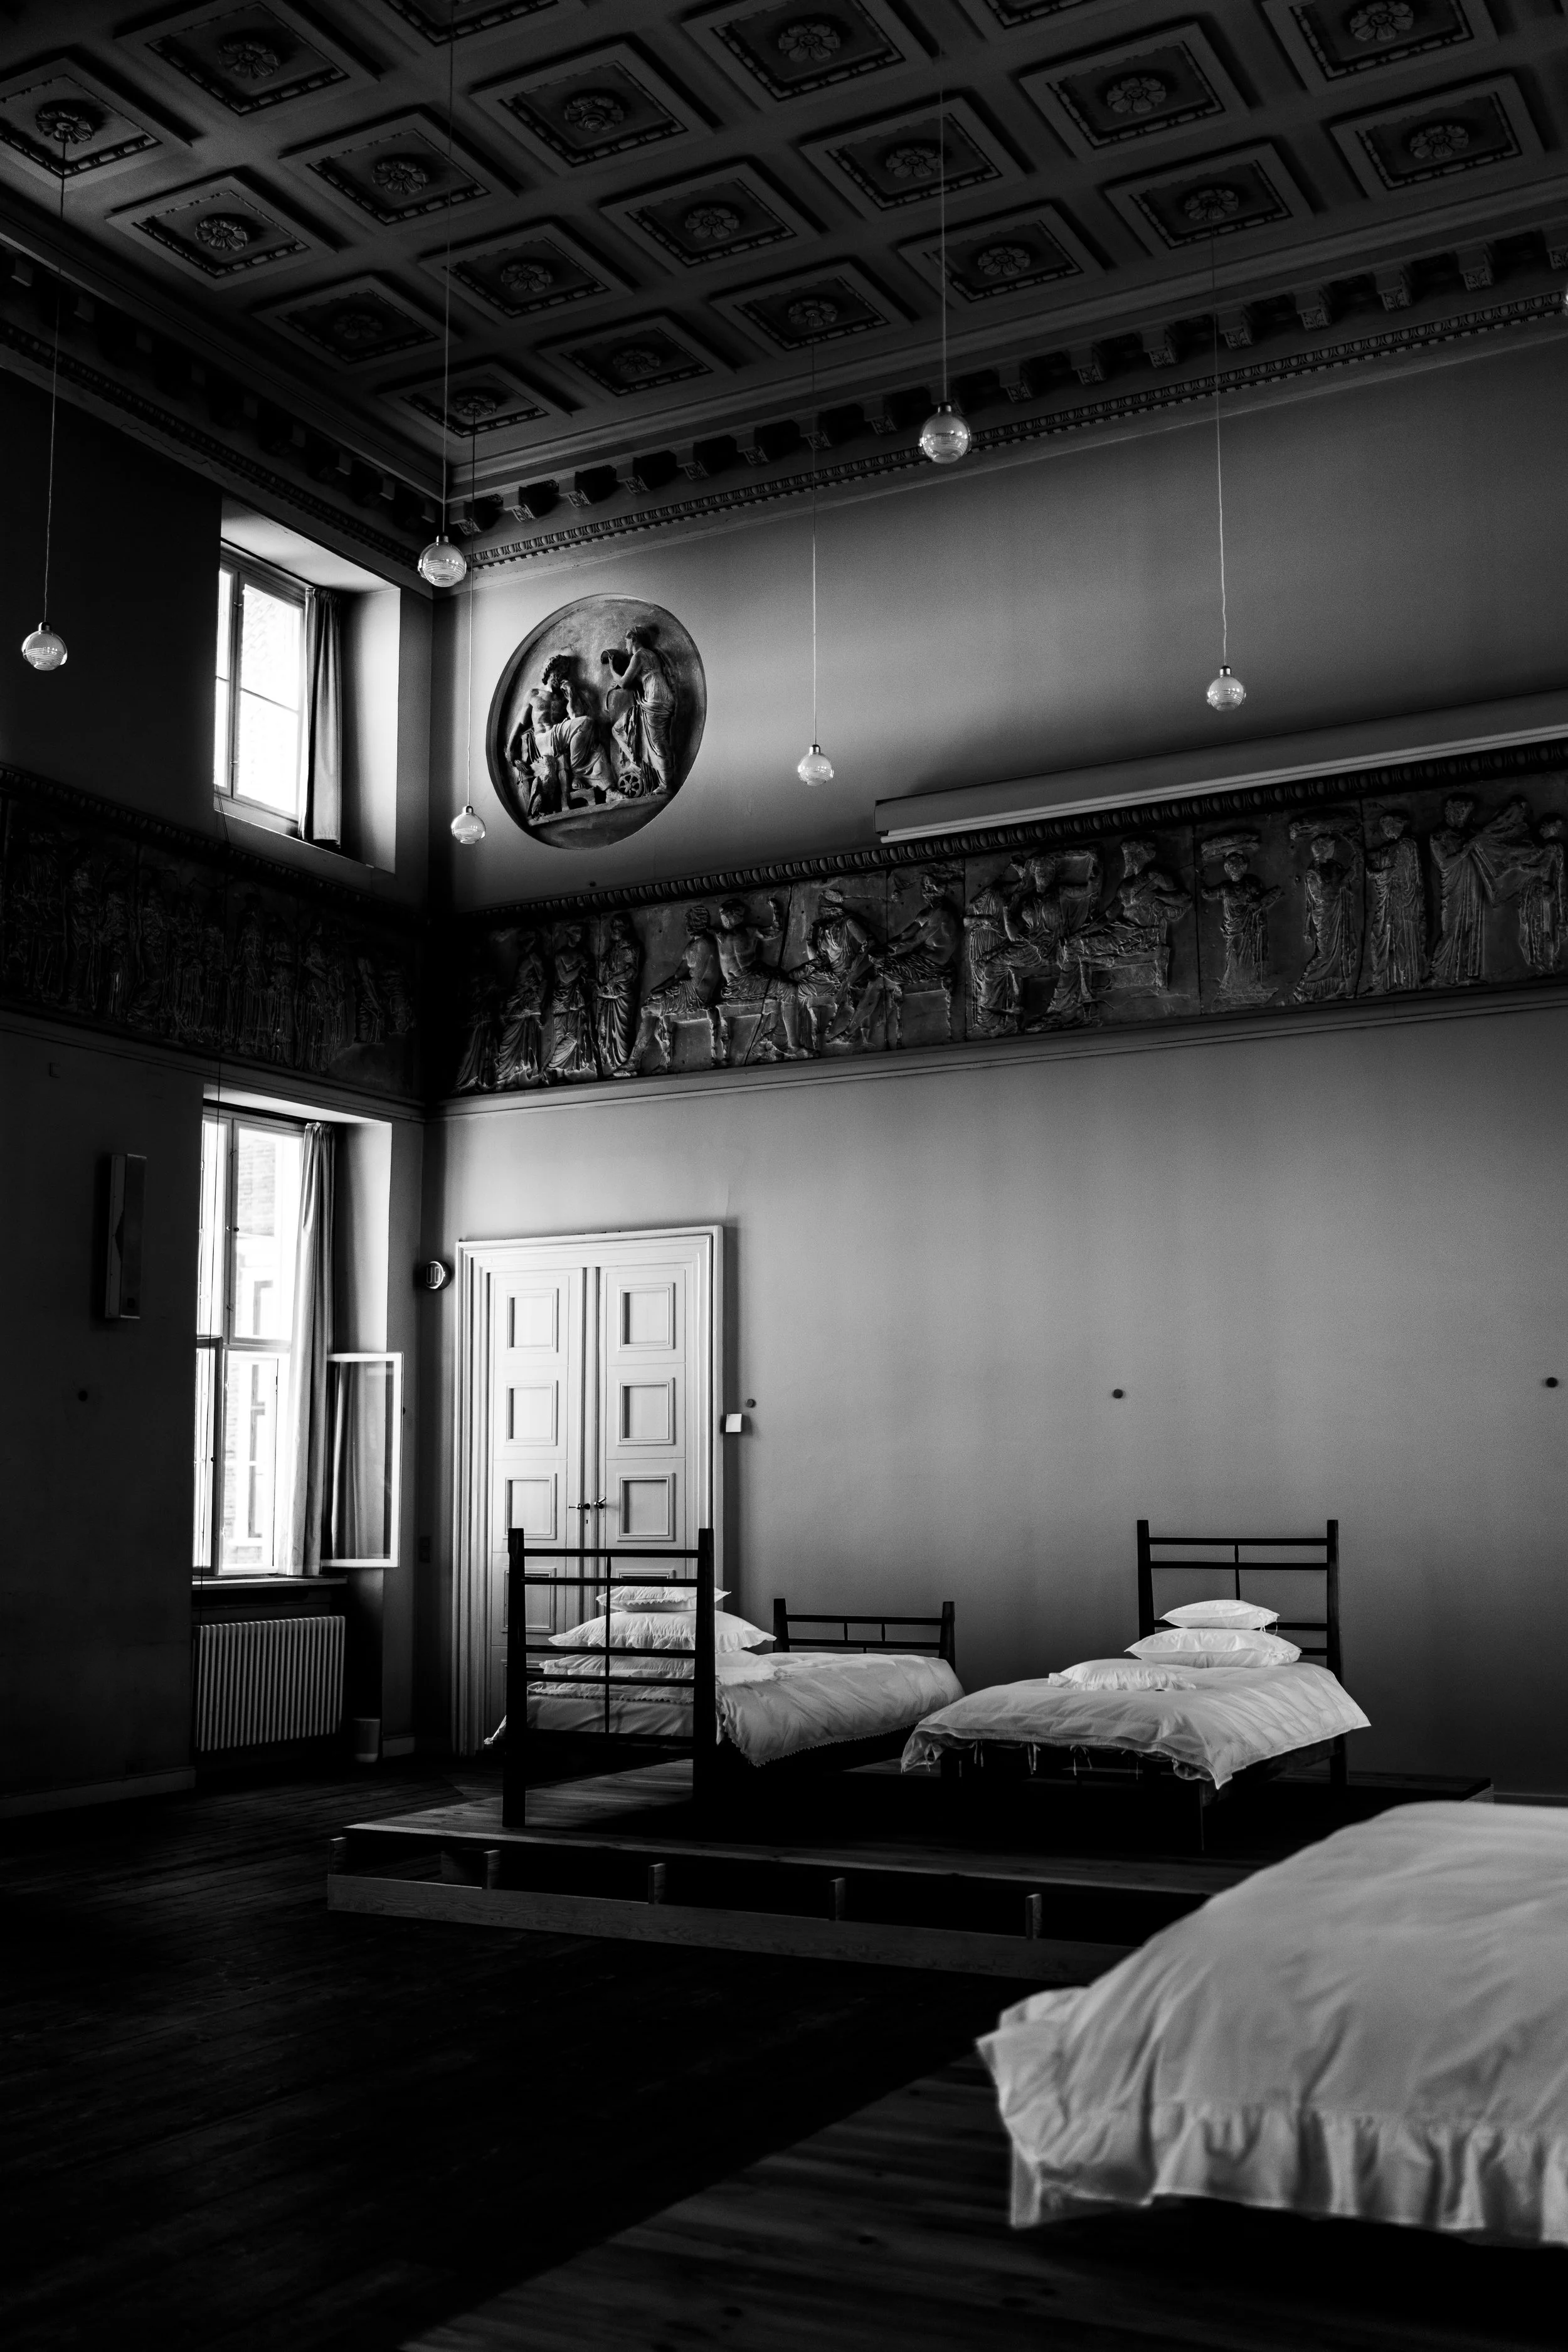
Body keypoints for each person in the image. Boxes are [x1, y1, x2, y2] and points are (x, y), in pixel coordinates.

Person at [1364, 812, 1426, 994]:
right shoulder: (1393, 847)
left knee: (1399, 939)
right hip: (1391, 901)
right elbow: (1381, 857)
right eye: (1384, 827)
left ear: (1398, 826)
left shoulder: (1406, 845)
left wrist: (1372, 872)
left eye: (1389, 826)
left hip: (1401, 903)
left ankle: (1404, 980)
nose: (1386, 830)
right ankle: (1387, 982)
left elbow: (1393, 872)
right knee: (1383, 936)